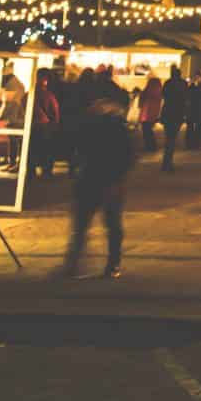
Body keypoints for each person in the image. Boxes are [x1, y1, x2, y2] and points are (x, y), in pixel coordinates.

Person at [58, 89, 134, 280]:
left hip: (92, 178)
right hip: (108, 180)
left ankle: (74, 264)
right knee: (111, 225)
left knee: (84, 225)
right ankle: (112, 264)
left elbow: (77, 149)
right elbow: (128, 156)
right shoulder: (118, 126)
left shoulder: (90, 123)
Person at [31, 69, 62, 180]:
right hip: (45, 126)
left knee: (33, 150)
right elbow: (55, 112)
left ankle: (31, 171)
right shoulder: (49, 95)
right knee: (46, 150)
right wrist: (55, 124)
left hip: (33, 126)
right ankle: (46, 171)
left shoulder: (31, 94)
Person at [159, 67, 189, 173]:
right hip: (178, 113)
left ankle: (166, 162)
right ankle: (168, 162)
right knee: (172, 138)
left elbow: (163, 95)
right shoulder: (183, 83)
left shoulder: (168, 83)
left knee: (168, 138)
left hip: (168, 112)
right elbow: (186, 97)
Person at [137, 72, 163, 151]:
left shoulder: (149, 89)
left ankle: (150, 146)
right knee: (149, 130)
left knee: (146, 130)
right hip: (154, 113)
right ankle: (151, 146)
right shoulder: (158, 90)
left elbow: (142, 98)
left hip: (146, 112)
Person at [185, 68, 201, 148]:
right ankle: (189, 143)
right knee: (190, 127)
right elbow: (188, 94)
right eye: (197, 76)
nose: (197, 78)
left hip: (200, 109)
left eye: (199, 77)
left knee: (198, 128)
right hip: (192, 109)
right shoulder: (192, 85)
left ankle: (196, 144)